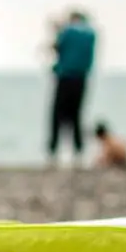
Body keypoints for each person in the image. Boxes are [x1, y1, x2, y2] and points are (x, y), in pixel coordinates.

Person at [47, 10, 96, 169]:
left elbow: (56, 47)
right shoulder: (90, 34)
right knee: (76, 115)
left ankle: (53, 152)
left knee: (57, 115)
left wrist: (57, 30)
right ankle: (78, 152)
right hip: (81, 79)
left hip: (65, 76)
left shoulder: (67, 31)